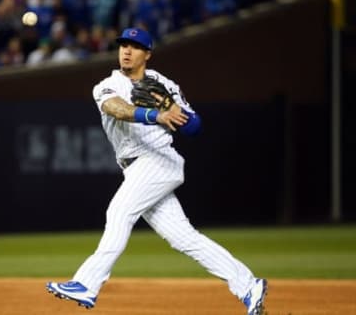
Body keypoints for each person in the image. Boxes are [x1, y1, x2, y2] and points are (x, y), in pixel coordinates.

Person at [46, 27, 268, 315]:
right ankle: (248, 285)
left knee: (119, 213)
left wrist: (174, 109)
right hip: (137, 167)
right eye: (123, 44)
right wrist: (155, 114)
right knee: (184, 238)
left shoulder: (165, 84)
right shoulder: (106, 85)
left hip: (157, 160)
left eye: (135, 46)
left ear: (147, 54)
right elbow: (116, 108)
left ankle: (87, 283)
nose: (126, 50)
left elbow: (195, 127)